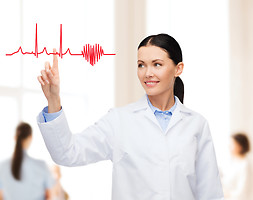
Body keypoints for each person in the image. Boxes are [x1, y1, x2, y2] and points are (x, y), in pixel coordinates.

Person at [37, 34, 224, 200]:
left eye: (157, 64)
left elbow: (210, 193)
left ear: (178, 69)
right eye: (141, 65)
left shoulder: (196, 125)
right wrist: (53, 100)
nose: (147, 73)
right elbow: (67, 153)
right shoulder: (119, 120)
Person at [0, 122, 55, 200]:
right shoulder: (41, 166)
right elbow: (49, 196)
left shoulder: (2, 167)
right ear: (30, 137)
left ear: (15, 137)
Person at [221, 133, 252, 200]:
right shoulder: (234, 161)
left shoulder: (245, 165)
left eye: (232, 144)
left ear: (240, 146)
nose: (229, 146)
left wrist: (226, 194)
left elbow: (242, 192)